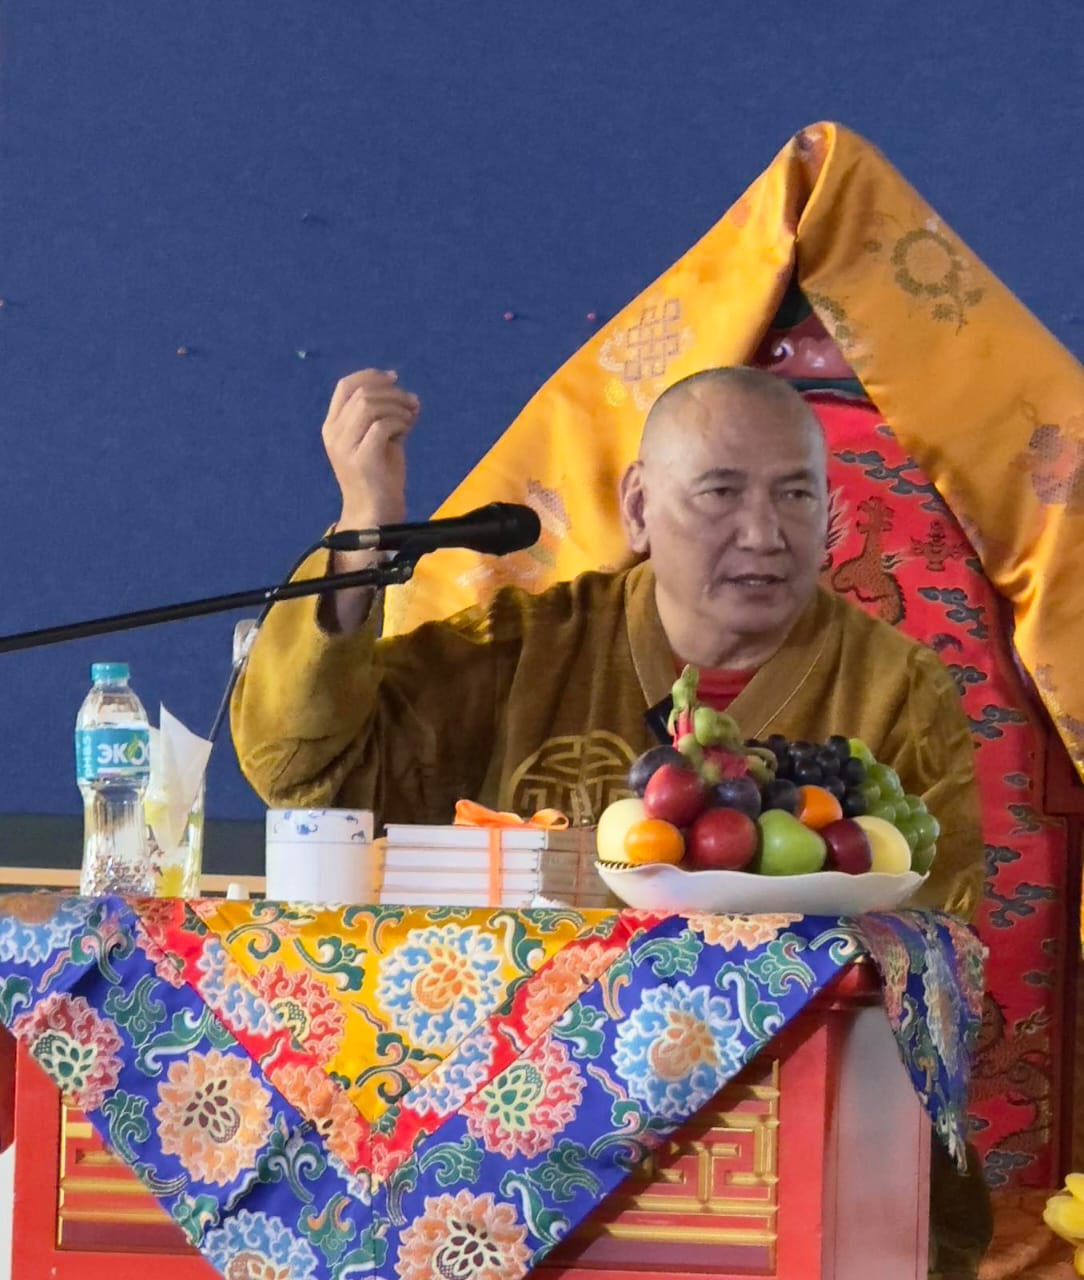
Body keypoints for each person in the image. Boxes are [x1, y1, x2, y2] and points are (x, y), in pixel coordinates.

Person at [231, 363, 991, 1278]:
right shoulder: (523, 652)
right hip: (514, 1154)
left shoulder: (895, 692)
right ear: (637, 507)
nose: (764, 532)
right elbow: (304, 771)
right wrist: (365, 530)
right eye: (720, 492)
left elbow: (933, 948)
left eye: (795, 494)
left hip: (783, 1142)